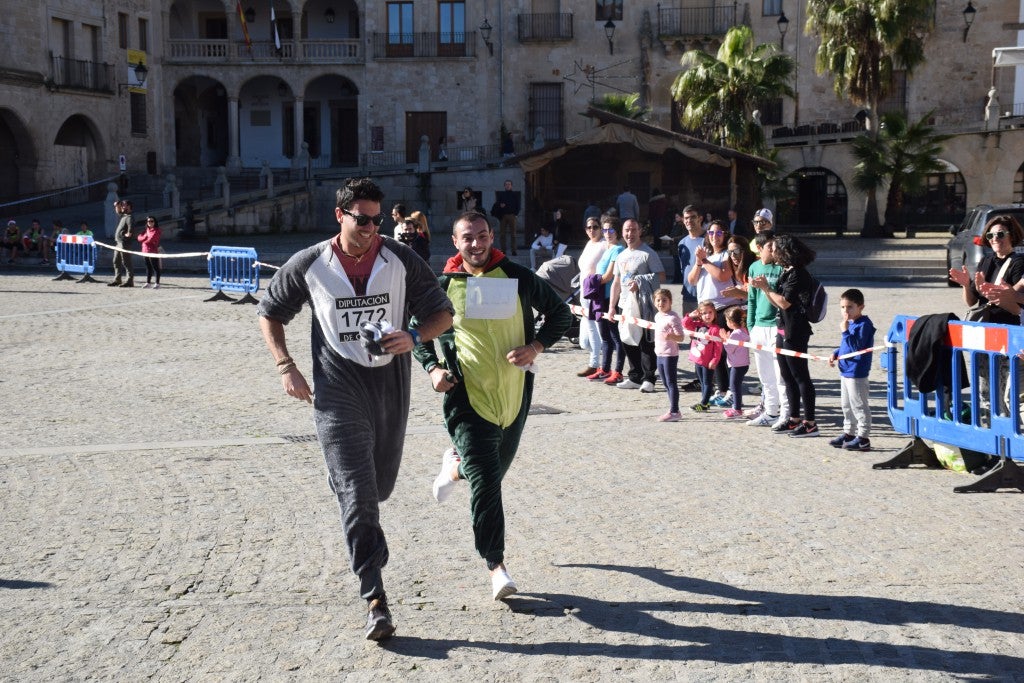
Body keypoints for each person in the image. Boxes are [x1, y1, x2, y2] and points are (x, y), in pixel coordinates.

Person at [257, 177, 454, 641]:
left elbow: (442, 313)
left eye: (376, 220)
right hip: (335, 388)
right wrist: (286, 365)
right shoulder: (309, 264)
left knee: (379, 486)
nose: (370, 228)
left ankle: (350, 484)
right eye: (360, 219)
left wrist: (416, 336)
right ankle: (376, 599)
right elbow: (269, 312)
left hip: (388, 385)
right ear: (339, 216)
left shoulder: (400, 258)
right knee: (360, 494)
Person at [414, 210, 570, 602]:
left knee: (493, 473)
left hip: (514, 395)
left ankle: (455, 467)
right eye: (468, 237)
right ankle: (496, 566)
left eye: (482, 236)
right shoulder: (444, 284)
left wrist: (535, 346)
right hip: (466, 398)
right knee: (486, 485)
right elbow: (416, 330)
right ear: (455, 242)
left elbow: (561, 315)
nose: (477, 244)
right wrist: (433, 368)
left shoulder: (517, 277)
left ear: (491, 236)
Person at [750, 234, 819, 437]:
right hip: (782, 328)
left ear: (785, 252)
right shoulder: (787, 272)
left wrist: (766, 288)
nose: (772, 252)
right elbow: (776, 302)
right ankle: (793, 418)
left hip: (795, 331)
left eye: (775, 249)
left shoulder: (798, 274)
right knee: (787, 376)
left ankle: (810, 423)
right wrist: (765, 290)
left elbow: (785, 302)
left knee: (800, 377)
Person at [687, 220, 743, 404]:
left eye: (719, 233)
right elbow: (692, 280)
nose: (714, 237)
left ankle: (728, 390)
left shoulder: (726, 254)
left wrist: (705, 261)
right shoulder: (706, 256)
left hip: (724, 307)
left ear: (725, 235)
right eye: (711, 233)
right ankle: (719, 388)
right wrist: (698, 262)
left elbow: (723, 276)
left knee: (723, 352)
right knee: (710, 353)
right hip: (706, 310)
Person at [610, 218, 666, 392]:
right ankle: (634, 376)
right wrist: (612, 306)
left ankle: (649, 378)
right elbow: (616, 282)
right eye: (627, 230)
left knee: (645, 341)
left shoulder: (648, 253)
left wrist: (640, 282)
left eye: (633, 230)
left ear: (640, 231)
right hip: (625, 304)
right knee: (628, 338)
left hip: (644, 304)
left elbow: (661, 276)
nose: (630, 234)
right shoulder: (621, 255)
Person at [745, 232, 788, 428]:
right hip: (759, 327)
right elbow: (752, 299)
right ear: (760, 248)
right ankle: (770, 412)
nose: (773, 250)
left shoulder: (781, 268)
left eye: (775, 247)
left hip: (776, 326)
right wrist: (751, 325)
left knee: (781, 375)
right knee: (765, 375)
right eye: (770, 247)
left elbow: (783, 298)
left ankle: (786, 414)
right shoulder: (754, 267)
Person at [828, 288, 875, 451]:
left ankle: (863, 437)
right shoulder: (851, 324)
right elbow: (845, 346)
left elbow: (856, 347)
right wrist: (835, 353)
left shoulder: (864, 324)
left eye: (850, 307)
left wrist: (845, 330)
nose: (845, 311)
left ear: (860, 307)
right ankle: (848, 433)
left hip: (857, 371)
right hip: (845, 370)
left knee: (859, 405)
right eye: (842, 307)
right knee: (846, 405)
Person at [585, 216, 626, 384]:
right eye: (605, 230)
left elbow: (609, 276)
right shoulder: (607, 249)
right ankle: (605, 368)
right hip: (600, 298)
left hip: (611, 298)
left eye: (611, 230)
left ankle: (618, 371)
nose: (607, 233)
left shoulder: (618, 249)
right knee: (605, 337)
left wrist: (591, 280)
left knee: (616, 337)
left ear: (617, 232)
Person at [576, 216, 608, 377]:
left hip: (594, 291)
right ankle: (598, 358)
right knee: (584, 339)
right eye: (589, 227)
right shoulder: (589, 244)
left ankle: (595, 363)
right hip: (583, 291)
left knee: (594, 327)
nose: (592, 230)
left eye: (595, 227)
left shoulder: (604, 245)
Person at [682, 301, 723, 412]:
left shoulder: (715, 329)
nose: (707, 315)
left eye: (710, 312)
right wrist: (690, 316)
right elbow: (684, 324)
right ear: (700, 314)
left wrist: (715, 360)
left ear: (714, 313)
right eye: (704, 313)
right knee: (702, 382)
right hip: (698, 360)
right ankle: (704, 402)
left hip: (708, 361)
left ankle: (704, 403)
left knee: (707, 383)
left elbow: (718, 348)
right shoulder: (697, 325)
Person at [653, 288, 686, 422]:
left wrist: (671, 336)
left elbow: (681, 337)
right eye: (658, 300)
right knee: (666, 383)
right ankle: (672, 407)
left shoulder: (673, 318)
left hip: (670, 355)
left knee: (671, 382)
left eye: (664, 300)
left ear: (670, 302)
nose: (661, 303)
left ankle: (674, 411)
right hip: (659, 353)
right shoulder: (657, 316)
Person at [720, 306, 751, 419]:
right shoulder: (743, 330)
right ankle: (736, 406)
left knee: (734, 386)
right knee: (736, 385)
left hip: (737, 364)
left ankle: (737, 408)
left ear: (731, 322)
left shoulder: (735, 334)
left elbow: (729, 349)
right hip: (743, 363)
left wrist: (725, 339)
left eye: (727, 321)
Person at [491, 179, 521, 255]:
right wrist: (500, 206)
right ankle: (503, 250)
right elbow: (497, 204)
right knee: (502, 234)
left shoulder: (515, 195)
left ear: (511, 186)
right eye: (506, 184)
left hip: (512, 215)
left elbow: (518, 205)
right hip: (503, 216)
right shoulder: (501, 195)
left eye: (509, 184)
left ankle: (514, 250)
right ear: (504, 186)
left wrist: (516, 214)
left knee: (513, 234)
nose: (508, 186)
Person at [110, 200, 135, 287]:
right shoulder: (124, 215)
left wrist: (127, 235)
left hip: (124, 243)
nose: (122, 207)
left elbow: (130, 229)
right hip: (118, 243)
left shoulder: (130, 217)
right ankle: (117, 279)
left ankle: (129, 281)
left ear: (129, 206)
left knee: (126, 262)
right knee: (116, 261)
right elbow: (118, 211)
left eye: (123, 205)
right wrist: (116, 205)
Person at [136, 216, 162, 289]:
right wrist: (145, 238)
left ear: (155, 222)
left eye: (152, 221)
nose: (150, 222)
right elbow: (138, 237)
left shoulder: (157, 230)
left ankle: (157, 283)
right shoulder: (146, 230)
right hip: (145, 251)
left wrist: (144, 239)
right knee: (148, 267)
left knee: (155, 267)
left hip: (153, 251)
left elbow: (151, 239)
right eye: (148, 221)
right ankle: (148, 282)